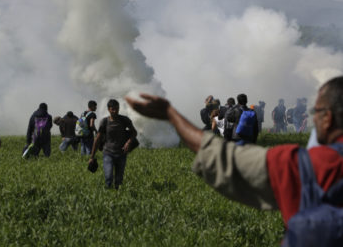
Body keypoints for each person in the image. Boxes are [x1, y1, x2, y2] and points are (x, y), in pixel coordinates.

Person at [125, 76, 343, 242]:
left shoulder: (307, 166)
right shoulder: (252, 113)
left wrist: (171, 114)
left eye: (317, 110)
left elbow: (224, 157)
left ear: (329, 118)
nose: (313, 115)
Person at [89, 99, 137, 189]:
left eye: (117, 109)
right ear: (108, 109)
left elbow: (134, 132)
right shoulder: (104, 122)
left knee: (119, 180)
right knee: (108, 177)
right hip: (108, 153)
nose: (115, 111)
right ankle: (108, 195)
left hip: (121, 153)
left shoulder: (124, 120)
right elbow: (97, 139)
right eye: (112, 109)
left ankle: (117, 197)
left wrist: (128, 142)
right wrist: (92, 157)